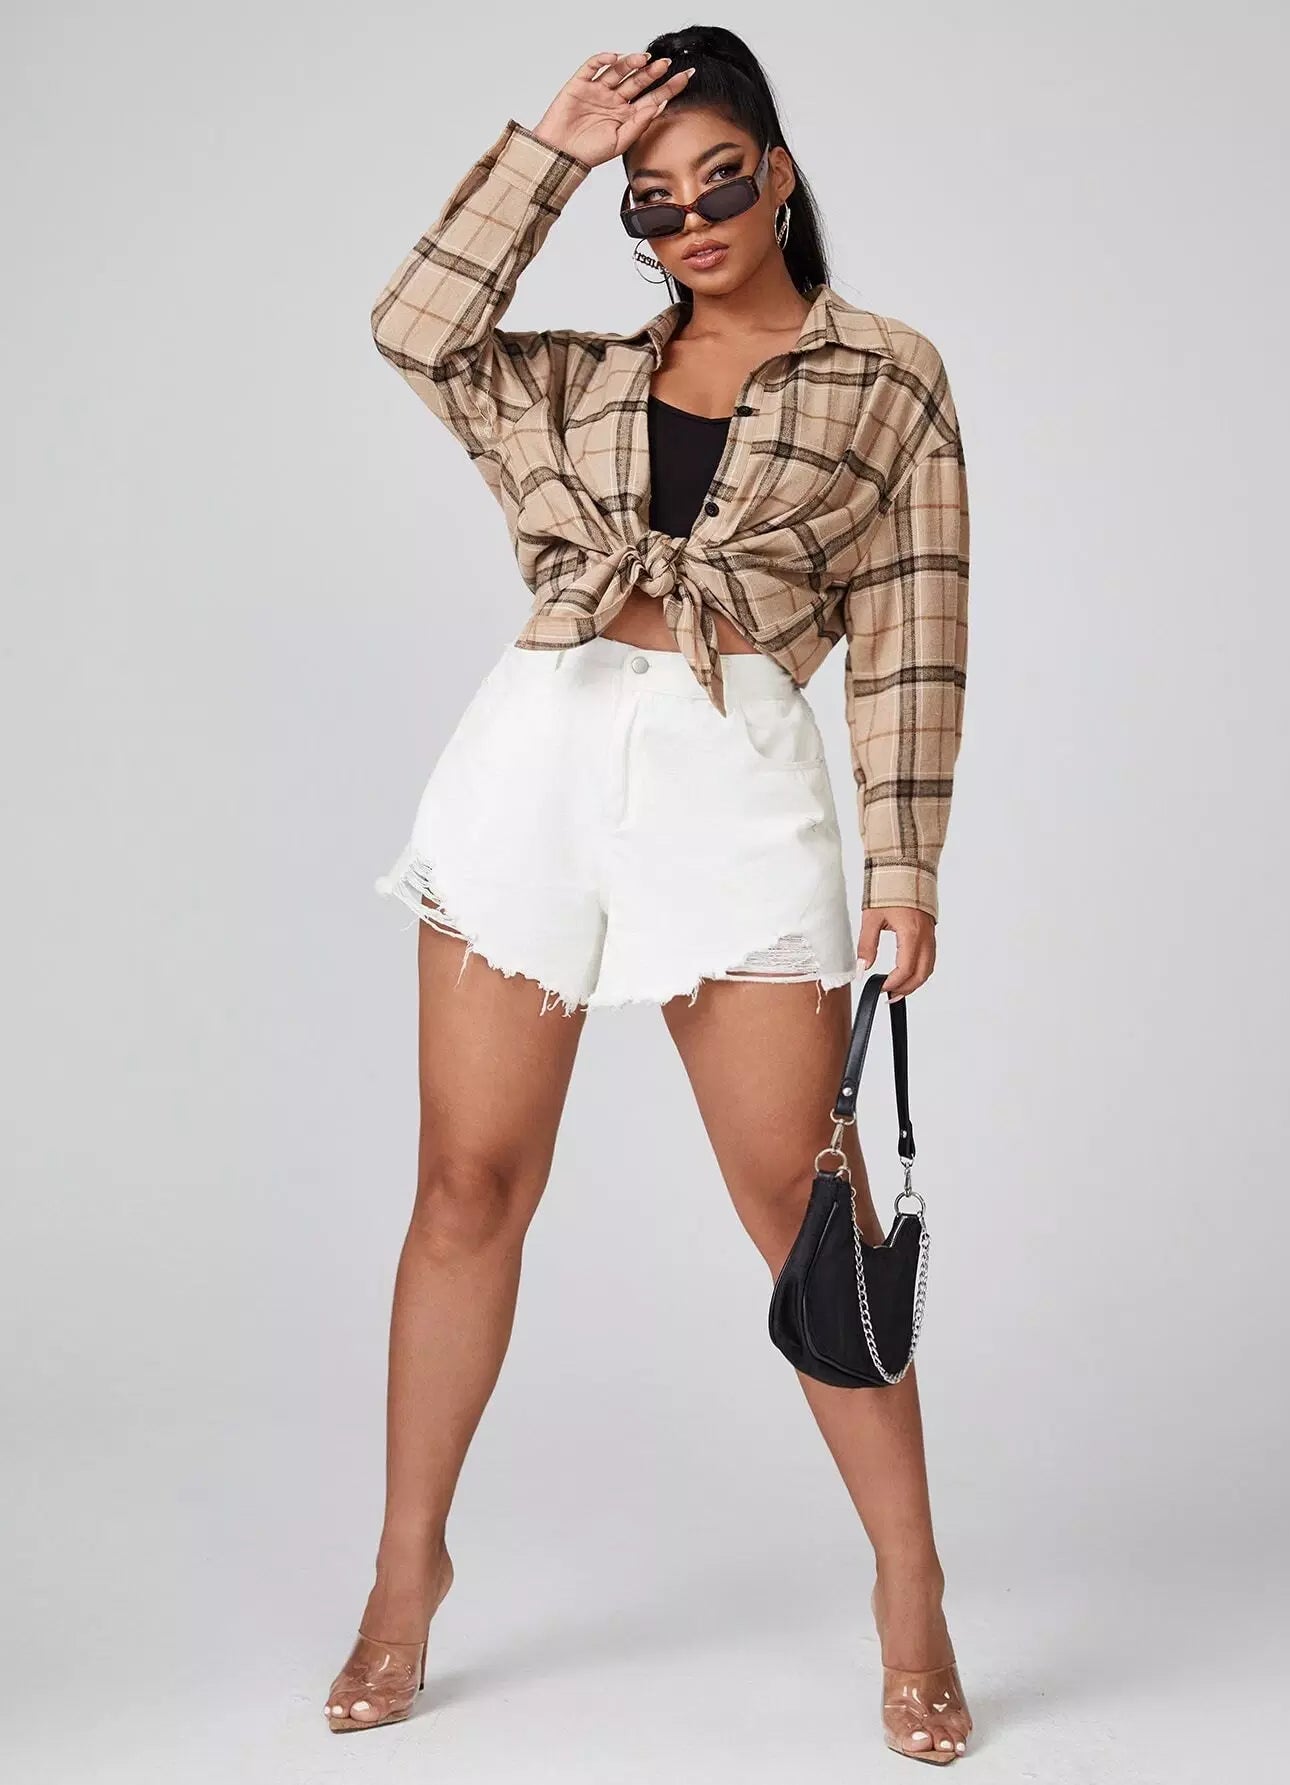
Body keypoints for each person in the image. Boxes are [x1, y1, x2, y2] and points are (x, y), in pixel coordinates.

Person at [326, 25, 972, 1765]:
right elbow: (413, 326)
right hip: (535, 758)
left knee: (802, 1200)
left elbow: (912, 628)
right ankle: (406, 1568)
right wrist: (551, 148)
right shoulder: (571, 382)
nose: (691, 221)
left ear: (780, 171)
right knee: (467, 1182)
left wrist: (905, 861)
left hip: (733, 770)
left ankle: (911, 1586)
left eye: (719, 181)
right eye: (653, 201)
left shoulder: (889, 378)